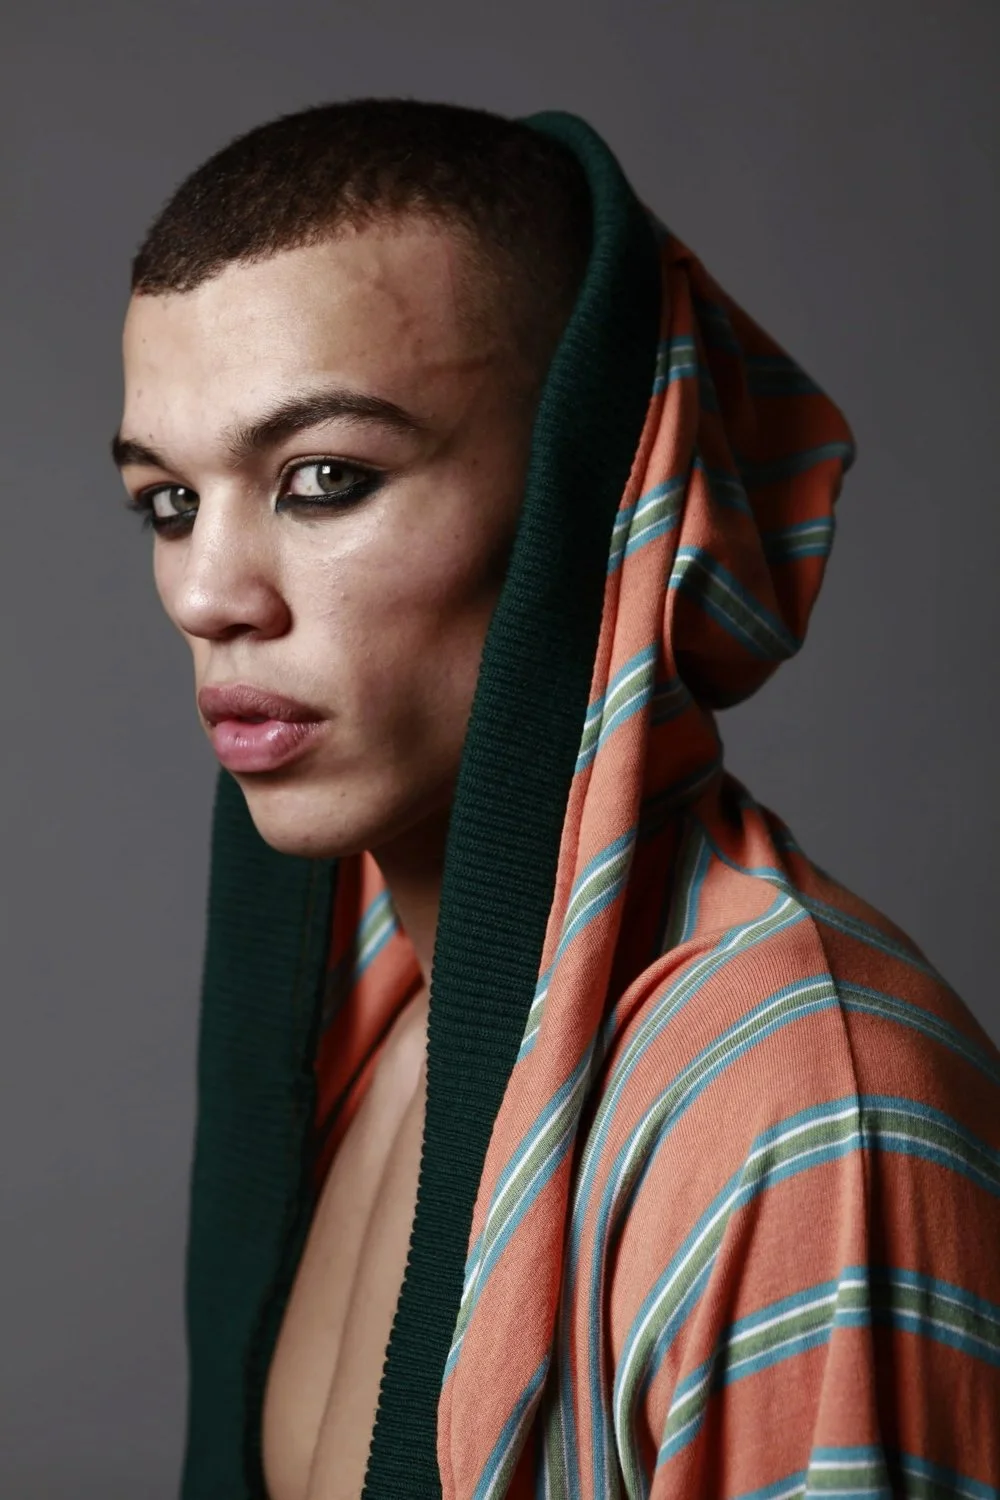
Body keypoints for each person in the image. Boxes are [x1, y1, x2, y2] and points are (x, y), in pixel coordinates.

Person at [112, 99, 1000, 1500]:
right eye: (167, 501)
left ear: (594, 484)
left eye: (323, 480)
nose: (212, 595)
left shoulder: (810, 1124)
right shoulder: (367, 1035)